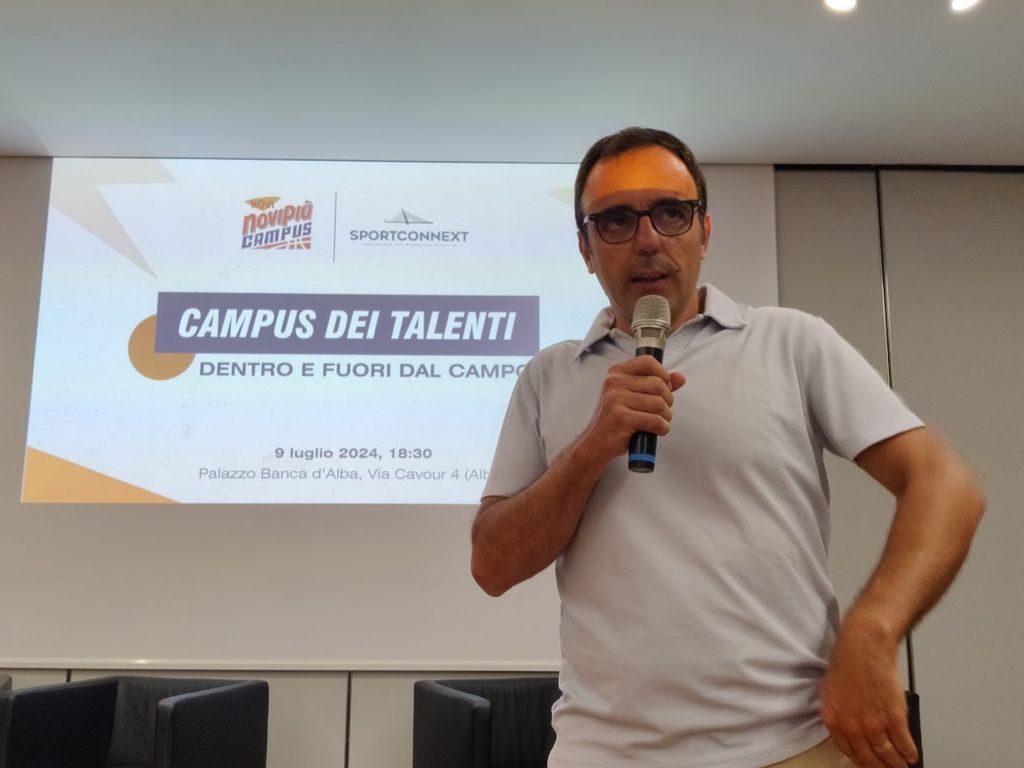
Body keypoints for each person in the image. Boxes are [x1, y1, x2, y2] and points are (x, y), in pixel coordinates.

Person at [470, 127, 984, 768]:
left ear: (704, 232)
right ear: (586, 248)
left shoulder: (791, 342)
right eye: (617, 220)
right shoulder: (548, 376)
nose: (648, 239)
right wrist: (593, 446)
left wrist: (872, 633)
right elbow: (492, 565)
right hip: (600, 753)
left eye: (671, 212)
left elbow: (945, 486)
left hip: (788, 745)